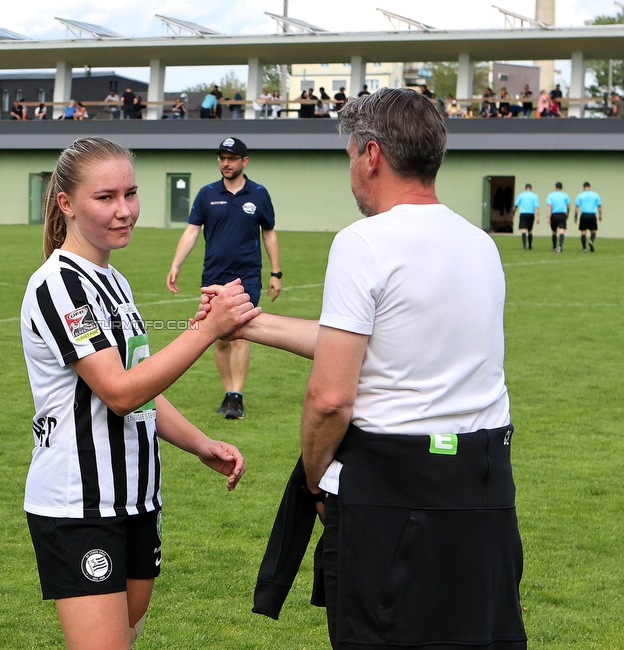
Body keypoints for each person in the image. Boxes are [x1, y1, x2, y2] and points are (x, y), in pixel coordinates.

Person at [199, 87, 526, 650]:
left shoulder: (364, 243)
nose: (351, 170)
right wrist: (250, 324)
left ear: (371, 155)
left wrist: (315, 476)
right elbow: (379, 345)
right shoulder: (481, 245)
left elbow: (330, 397)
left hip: (394, 490)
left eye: (350, 155)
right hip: (483, 484)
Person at [20, 136, 251, 650]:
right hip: (80, 505)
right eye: (105, 197)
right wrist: (206, 330)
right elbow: (120, 392)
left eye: (130, 193)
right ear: (66, 204)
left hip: (138, 499)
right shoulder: (59, 285)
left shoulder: (114, 282)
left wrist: (199, 443)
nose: (124, 210)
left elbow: (142, 386)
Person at [166, 137, 281, 420]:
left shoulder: (259, 193)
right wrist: (175, 264)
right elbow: (192, 231)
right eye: (221, 158)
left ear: (245, 161)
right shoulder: (207, 194)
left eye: (231, 158)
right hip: (214, 276)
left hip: (247, 277)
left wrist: (275, 273)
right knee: (220, 338)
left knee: (240, 335)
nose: (225, 163)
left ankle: (236, 397)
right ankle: (228, 391)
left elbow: (269, 233)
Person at [574, 182, 603, 253]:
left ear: (583, 187)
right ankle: (591, 241)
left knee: (583, 232)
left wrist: (575, 217)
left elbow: (577, 207)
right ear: (590, 187)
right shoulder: (596, 195)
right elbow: (599, 206)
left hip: (584, 215)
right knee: (593, 231)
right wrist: (600, 215)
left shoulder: (580, 195)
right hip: (592, 215)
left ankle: (584, 248)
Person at [545, 181, 571, 253]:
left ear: (555, 187)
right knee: (561, 231)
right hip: (562, 214)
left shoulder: (550, 195)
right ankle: (560, 247)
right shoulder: (565, 195)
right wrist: (567, 213)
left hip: (554, 215)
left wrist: (548, 216)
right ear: (561, 188)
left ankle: (554, 246)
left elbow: (549, 206)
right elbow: (568, 206)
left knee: (554, 231)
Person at [513, 183, 539, 250]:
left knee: (523, 229)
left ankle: (524, 246)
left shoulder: (521, 195)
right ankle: (530, 246)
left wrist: (513, 214)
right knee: (530, 230)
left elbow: (516, 206)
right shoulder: (535, 196)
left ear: (525, 188)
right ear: (531, 188)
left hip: (523, 214)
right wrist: (538, 217)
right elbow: (536, 207)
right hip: (531, 214)